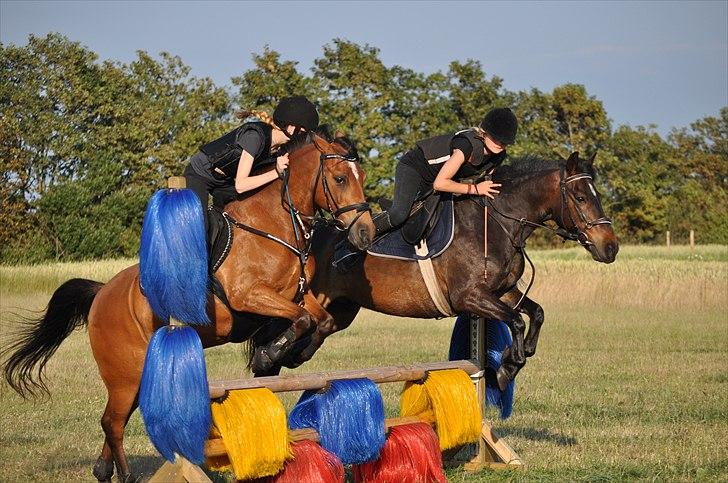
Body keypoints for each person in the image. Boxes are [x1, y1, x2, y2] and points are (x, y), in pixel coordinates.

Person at [373, 107, 518, 236]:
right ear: (483, 133)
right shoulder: (466, 146)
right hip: (415, 168)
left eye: (504, 142)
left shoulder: (499, 156)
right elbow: (440, 183)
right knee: (399, 215)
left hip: (441, 178)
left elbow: (488, 184)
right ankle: (362, 235)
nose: (500, 144)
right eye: (496, 138)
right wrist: (475, 189)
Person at [183, 96, 319, 226]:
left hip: (225, 182)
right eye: (304, 133)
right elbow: (241, 185)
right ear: (290, 127)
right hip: (200, 174)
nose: (304, 138)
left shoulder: (279, 149)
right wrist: (276, 172)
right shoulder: (255, 137)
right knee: (200, 224)